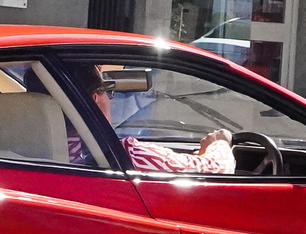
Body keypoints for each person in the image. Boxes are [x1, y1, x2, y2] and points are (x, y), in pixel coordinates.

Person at [86, 69, 235, 173]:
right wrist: (219, 141)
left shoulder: (68, 155)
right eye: (109, 93)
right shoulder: (127, 156)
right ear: (95, 100)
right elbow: (216, 170)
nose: (111, 101)